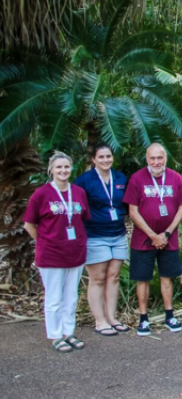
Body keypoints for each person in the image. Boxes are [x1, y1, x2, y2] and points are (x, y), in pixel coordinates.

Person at [23, 152, 91, 352]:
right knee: (54, 297)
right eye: (59, 167)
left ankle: (68, 332)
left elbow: (82, 218)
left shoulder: (78, 192)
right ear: (51, 170)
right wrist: (44, 241)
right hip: (51, 254)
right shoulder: (41, 194)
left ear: (71, 169)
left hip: (75, 252)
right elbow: (29, 224)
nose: (63, 171)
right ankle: (55, 335)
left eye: (67, 167)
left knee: (71, 296)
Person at [123, 143, 182, 336]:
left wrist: (166, 233)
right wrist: (153, 235)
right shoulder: (137, 178)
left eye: (159, 158)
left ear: (165, 158)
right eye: (152, 158)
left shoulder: (176, 178)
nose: (156, 162)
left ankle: (170, 315)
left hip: (169, 238)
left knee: (166, 276)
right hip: (143, 239)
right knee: (142, 278)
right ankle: (143, 318)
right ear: (147, 159)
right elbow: (132, 211)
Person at [73, 145, 130, 335]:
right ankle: (100, 320)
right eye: (101, 157)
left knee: (113, 277)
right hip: (95, 235)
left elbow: (127, 205)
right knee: (97, 278)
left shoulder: (120, 178)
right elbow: (76, 206)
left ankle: (112, 317)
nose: (106, 160)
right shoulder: (84, 180)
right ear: (94, 159)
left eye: (108, 156)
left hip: (118, 234)